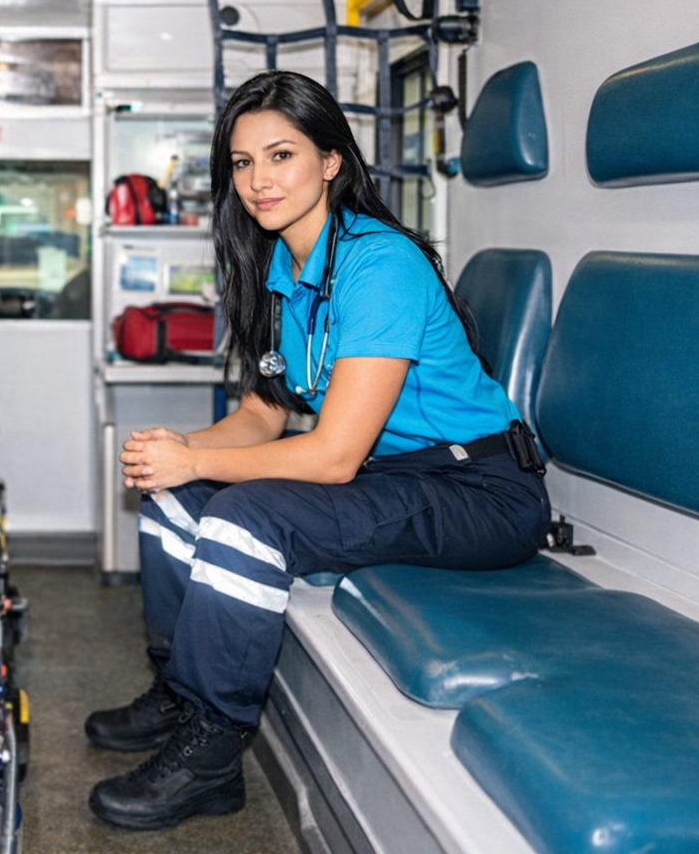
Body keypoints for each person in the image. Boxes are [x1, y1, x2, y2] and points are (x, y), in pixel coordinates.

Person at [85, 70, 551, 830]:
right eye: (243, 163)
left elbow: (332, 456)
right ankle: (179, 689)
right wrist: (178, 450)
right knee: (174, 497)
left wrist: (197, 460)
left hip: (480, 490)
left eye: (282, 156)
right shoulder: (279, 271)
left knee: (243, 516)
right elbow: (262, 417)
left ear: (331, 161)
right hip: (389, 477)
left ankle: (212, 749)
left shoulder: (380, 263)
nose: (259, 181)